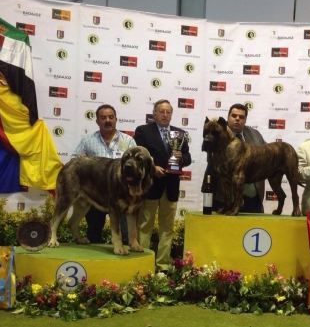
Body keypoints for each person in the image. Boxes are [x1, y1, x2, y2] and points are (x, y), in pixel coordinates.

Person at [134, 99, 191, 272]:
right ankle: (142, 262)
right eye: (161, 111)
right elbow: (137, 155)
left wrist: (181, 157)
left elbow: (187, 158)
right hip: (150, 185)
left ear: (171, 114)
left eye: (168, 112)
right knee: (145, 226)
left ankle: (163, 266)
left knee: (167, 228)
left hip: (171, 187)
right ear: (154, 114)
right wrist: (151, 168)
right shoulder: (143, 131)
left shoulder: (179, 133)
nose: (165, 115)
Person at [71, 104, 136, 244]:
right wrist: (79, 159)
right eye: (103, 117)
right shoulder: (87, 141)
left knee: (124, 236)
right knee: (94, 234)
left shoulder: (128, 141)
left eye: (111, 117)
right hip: (96, 194)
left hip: (122, 196)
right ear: (97, 121)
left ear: (116, 119)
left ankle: (123, 263)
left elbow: (136, 166)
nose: (108, 120)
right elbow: (74, 163)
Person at [204, 103, 266, 213]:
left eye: (241, 117)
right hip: (224, 198)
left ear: (245, 120)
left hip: (253, 198)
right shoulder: (215, 132)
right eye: (234, 116)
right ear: (228, 117)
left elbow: (267, 153)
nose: (237, 119)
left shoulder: (255, 134)